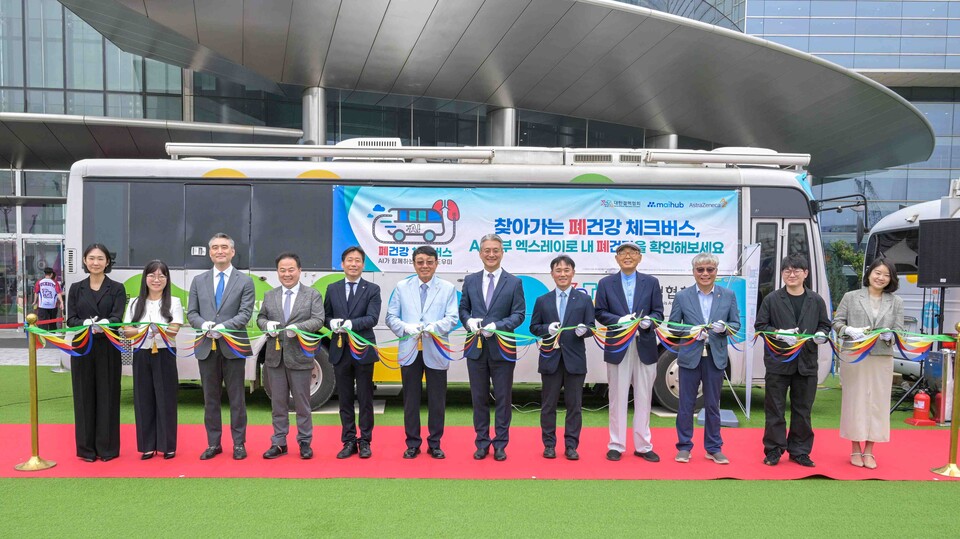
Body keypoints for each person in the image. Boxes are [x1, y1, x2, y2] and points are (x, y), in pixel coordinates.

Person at [754, 254, 831, 468]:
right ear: (782, 274)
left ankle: (800, 451)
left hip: (806, 364)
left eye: (797, 270)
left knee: (803, 410)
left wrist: (822, 334)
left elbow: (825, 324)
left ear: (805, 273)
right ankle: (774, 449)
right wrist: (778, 333)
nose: (792, 274)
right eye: (787, 270)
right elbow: (760, 326)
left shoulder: (816, 300)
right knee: (775, 409)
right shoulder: (771, 299)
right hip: (778, 362)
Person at [385, 246, 459, 459]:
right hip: (410, 350)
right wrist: (406, 328)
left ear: (436, 263)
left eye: (429, 262)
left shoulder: (447, 288)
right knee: (410, 400)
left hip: (436, 349)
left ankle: (435, 443)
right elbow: (391, 317)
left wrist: (435, 327)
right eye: (420, 262)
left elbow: (452, 318)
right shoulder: (402, 287)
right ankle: (412, 443)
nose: (424, 266)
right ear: (414, 264)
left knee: (437, 400)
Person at [186, 233, 255, 461]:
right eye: (215, 247)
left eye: (224, 247)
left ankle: (239, 444)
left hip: (233, 346)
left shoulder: (245, 281)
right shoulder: (198, 281)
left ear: (232, 252)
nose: (220, 251)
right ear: (210, 253)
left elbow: (245, 314)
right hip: (206, 346)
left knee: (237, 398)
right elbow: (192, 313)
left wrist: (223, 327)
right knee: (210, 399)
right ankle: (213, 444)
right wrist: (203, 325)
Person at [594, 242, 664, 462]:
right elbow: (599, 312)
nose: (627, 256)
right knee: (617, 396)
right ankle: (616, 444)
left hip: (644, 344)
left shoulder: (651, 282)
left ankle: (643, 445)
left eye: (633, 253)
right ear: (616, 258)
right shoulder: (606, 283)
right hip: (618, 345)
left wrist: (649, 321)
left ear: (639, 258)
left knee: (644, 396)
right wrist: (619, 320)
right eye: (622, 253)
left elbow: (659, 313)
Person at [668, 253, 740, 465]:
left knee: (712, 404)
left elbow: (736, 325)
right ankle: (684, 447)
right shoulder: (683, 296)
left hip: (715, 357)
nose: (705, 274)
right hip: (690, 356)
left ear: (716, 271)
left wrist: (724, 328)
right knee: (686, 404)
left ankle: (714, 448)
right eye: (700, 270)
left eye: (710, 269)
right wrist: (690, 332)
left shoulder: (728, 295)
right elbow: (673, 326)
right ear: (694, 272)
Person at [459, 233, 525, 461]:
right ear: (480, 253)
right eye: (487, 250)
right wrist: (468, 322)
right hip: (476, 348)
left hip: (502, 348)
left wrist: (497, 326)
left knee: (503, 399)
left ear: (502, 253)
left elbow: (519, 314)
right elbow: (463, 309)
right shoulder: (470, 281)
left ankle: (500, 444)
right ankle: (482, 442)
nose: (491, 254)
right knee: (479, 398)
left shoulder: (514, 282)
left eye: (495, 250)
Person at [832, 258, 904, 470]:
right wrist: (848, 330)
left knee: (878, 404)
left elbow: (899, 330)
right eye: (877, 273)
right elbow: (836, 322)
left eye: (886, 275)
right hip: (855, 355)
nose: (881, 278)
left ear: (891, 279)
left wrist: (891, 336)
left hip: (882, 357)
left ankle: (870, 450)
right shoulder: (851, 296)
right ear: (869, 273)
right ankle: (855, 447)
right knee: (855, 401)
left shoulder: (896, 302)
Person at [257, 252, 325, 460]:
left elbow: (318, 319)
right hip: (275, 358)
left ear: (300, 270)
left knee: (302, 404)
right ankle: (279, 442)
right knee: (278, 403)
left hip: (300, 357)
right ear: (277, 272)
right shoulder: (270, 295)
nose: (287, 274)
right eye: (282, 270)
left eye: (291, 270)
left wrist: (299, 328)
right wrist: (266, 325)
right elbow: (261, 318)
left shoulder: (312, 295)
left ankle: (305, 442)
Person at [530, 255, 595, 461]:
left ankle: (571, 446)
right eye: (558, 270)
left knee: (574, 406)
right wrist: (546, 329)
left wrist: (584, 331)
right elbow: (534, 327)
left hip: (575, 360)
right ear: (552, 274)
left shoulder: (584, 299)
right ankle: (549, 445)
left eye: (566, 270)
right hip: (550, 359)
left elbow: (592, 327)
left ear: (573, 273)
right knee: (548, 405)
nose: (562, 274)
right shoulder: (543, 300)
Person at [66, 243, 126, 462]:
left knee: (108, 395)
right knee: (83, 396)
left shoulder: (117, 288)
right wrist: (84, 323)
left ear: (107, 261)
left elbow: (118, 317)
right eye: (91, 258)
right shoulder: (76, 288)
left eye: (100, 258)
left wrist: (106, 323)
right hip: (82, 346)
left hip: (108, 346)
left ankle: (107, 448)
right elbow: (70, 319)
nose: (95, 262)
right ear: (84, 260)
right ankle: (86, 449)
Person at [324, 246, 382, 459]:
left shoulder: (372, 289)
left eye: (357, 260)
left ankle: (365, 440)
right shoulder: (332, 288)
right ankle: (348, 441)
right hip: (340, 349)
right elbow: (325, 316)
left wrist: (351, 324)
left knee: (365, 398)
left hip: (363, 349)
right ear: (342, 264)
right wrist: (332, 323)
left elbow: (372, 318)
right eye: (349, 260)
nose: (353, 264)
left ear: (363, 265)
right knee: (345, 398)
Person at [122, 260, 183, 460]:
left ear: (167, 279)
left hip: (165, 353)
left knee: (166, 399)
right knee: (143, 399)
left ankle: (167, 445)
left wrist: (159, 329)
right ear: (145, 278)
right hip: (141, 352)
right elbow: (127, 331)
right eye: (152, 275)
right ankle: (147, 446)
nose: (156, 280)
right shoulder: (135, 303)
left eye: (161, 276)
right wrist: (144, 330)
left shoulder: (173, 301)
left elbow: (174, 330)